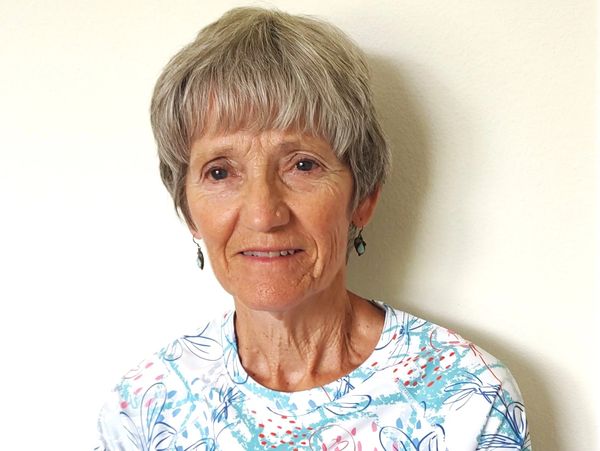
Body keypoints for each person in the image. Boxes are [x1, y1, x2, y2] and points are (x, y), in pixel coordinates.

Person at [95, 7, 531, 450]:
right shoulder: (144, 407)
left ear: (363, 197)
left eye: (302, 165)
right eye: (221, 172)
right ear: (188, 209)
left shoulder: (467, 397)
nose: (263, 215)